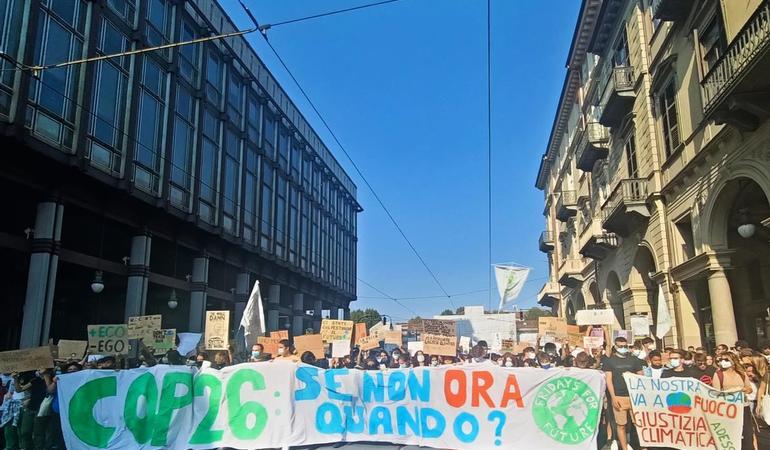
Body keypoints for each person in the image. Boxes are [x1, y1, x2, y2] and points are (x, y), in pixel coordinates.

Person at [603, 337, 644, 450]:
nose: (623, 348)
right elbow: (608, 380)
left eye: (625, 346)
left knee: (640, 424)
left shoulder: (634, 360)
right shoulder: (609, 361)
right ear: (615, 347)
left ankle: (644, 447)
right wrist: (613, 397)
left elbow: (641, 376)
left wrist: (631, 375)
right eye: (620, 346)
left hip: (634, 396)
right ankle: (624, 447)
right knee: (621, 425)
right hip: (619, 396)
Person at [713, 352, 755, 450]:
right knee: (732, 434)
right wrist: (730, 392)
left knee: (747, 434)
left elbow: (749, 389)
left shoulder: (741, 373)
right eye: (721, 360)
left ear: (733, 361)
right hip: (728, 409)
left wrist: (742, 389)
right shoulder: (718, 375)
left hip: (743, 407)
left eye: (726, 360)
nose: (723, 362)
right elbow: (716, 393)